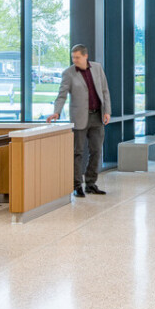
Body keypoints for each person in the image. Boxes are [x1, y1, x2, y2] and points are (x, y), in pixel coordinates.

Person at [47, 44, 112, 198]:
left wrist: (107, 111)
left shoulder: (97, 68)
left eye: (77, 57)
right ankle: (77, 186)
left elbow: (105, 91)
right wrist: (57, 111)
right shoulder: (68, 73)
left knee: (96, 151)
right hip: (79, 118)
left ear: (85, 56)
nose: (74, 60)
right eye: (73, 57)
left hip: (97, 116)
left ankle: (91, 183)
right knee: (78, 152)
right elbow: (62, 95)